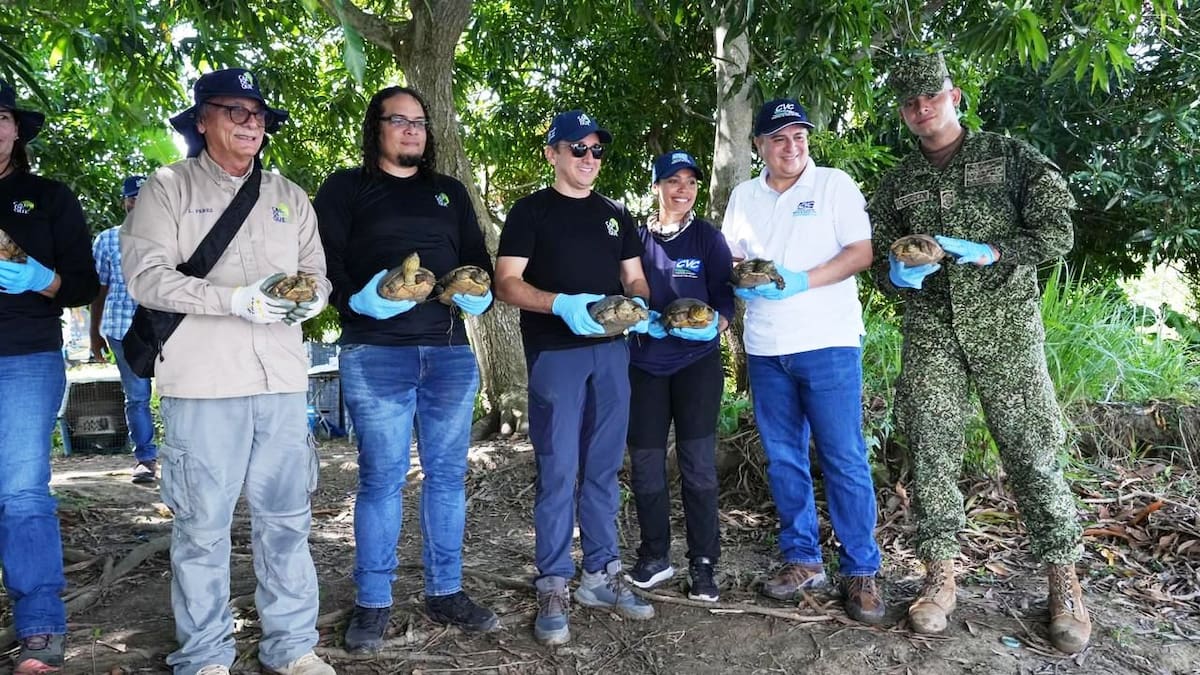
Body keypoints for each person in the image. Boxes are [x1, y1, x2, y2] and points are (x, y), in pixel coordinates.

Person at [867, 52, 1090, 653]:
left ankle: (1063, 582)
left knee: (1033, 451)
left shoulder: (1012, 157)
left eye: (931, 97)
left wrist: (989, 250)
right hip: (933, 331)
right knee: (932, 451)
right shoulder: (897, 184)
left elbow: (1057, 235)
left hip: (1006, 330)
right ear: (903, 111)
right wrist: (896, 275)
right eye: (911, 103)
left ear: (954, 95)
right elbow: (882, 271)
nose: (922, 110)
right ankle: (940, 578)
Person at [121, 68, 335, 675]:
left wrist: (310, 298)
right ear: (202, 120)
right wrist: (234, 299)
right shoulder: (167, 187)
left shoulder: (290, 196)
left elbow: (317, 275)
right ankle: (206, 655)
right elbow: (146, 276)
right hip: (203, 381)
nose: (250, 123)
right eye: (235, 112)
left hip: (283, 382)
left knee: (287, 521)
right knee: (202, 528)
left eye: (258, 114)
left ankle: (292, 647)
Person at [313, 86, 499, 653]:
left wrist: (478, 296)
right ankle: (373, 601)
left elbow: (480, 264)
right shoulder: (346, 188)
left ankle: (446, 590)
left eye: (419, 121)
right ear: (377, 129)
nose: (413, 129)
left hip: (447, 353)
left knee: (446, 478)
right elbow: (326, 268)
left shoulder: (449, 193)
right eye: (400, 120)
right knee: (381, 479)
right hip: (376, 355)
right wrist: (361, 299)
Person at [722, 98, 886, 624]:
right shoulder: (744, 195)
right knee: (784, 457)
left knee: (843, 457)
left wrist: (801, 281)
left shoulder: (834, 185)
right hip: (766, 348)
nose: (792, 147)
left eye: (799, 137)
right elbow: (729, 256)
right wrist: (739, 273)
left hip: (828, 342)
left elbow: (862, 252)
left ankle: (860, 570)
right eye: (779, 138)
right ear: (759, 146)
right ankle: (802, 559)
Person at [495, 109, 655, 645]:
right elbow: (507, 284)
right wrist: (561, 303)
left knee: (606, 467)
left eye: (596, 151)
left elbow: (636, 280)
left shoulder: (616, 214)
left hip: (611, 355)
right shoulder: (530, 212)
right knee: (559, 469)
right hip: (555, 355)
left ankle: (601, 573)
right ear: (553, 154)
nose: (589, 159)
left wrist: (633, 308)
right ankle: (554, 579)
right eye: (578, 149)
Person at [0, 78, 99, 675]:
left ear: (16, 129)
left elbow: (84, 285)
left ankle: (39, 625)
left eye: (2, 115)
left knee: (19, 492)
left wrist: (41, 278)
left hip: (24, 359)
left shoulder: (49, 197)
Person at [624, 150, 733, 602]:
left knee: (698, 467)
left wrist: (716, 325)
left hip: (697, 366)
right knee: (647, 466)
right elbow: (625, 291)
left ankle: (703, 562)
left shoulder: (708, 238)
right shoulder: (635, 239)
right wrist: (633, 317)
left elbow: (726, 301)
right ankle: (654, 555)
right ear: (657, 186)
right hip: (645, 366)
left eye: (690, 181)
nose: (682, 189)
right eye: (672, 180)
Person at [90, 175, 159, 484]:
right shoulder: (106, 239)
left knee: (178, 393)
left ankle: (186, 456)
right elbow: (99, 290)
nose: (138, 202)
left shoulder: (170, 236)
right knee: (137, 396)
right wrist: (94, 334)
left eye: (144, 197)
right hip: (121, 328)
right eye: (133, 197)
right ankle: (146, 459)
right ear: (125, 201)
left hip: (164, 328)